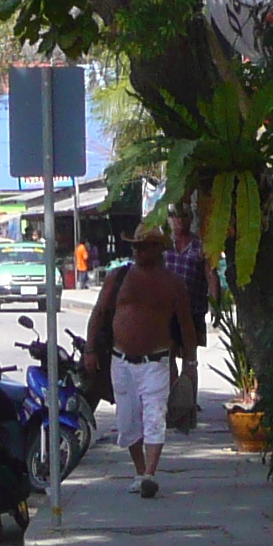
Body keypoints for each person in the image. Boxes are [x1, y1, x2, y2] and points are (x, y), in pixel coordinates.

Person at [83, 227, 196, 499]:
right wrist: (89, 349)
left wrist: (190, 364)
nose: (138, 251)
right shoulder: (118, 277)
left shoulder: (173, 283)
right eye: (136, 246)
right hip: (120, 361)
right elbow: (98, 313)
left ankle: (150, 474)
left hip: (156, 362)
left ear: (158, 248)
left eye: (144, 246)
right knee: (128, 420)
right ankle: (140, 472)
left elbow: (186, 325)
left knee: (154, 416)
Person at [162, 204, 214, 434]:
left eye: (183, 217)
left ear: (189, 219)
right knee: (169, 353)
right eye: (174, 216)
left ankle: (189, 402)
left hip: (193, 309)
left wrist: (216, 303)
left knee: (190, 357)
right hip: (167, 311)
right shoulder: (163, 246)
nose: (179, 221)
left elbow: (210, 275)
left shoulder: (199, 246)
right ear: (170, 220)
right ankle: (173, 400)